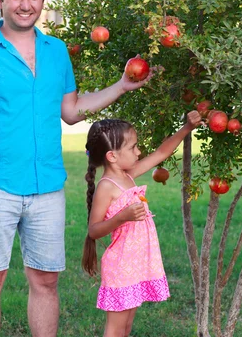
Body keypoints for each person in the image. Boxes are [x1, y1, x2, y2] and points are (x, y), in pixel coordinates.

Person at [0, 0, 153, 337]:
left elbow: (71, 111)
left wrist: (122, 85)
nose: (25, 5)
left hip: (47, 189)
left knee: (46, 281)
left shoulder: (57, 51)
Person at [82, 110, 203, 337]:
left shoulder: (129, 174)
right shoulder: (107, 186)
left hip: (137, 263)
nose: (139, 151)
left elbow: (161, 152)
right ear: (112, 156)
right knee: (116, 329)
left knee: (126, 328)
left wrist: (186, 127)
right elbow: (94, 230)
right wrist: (122, 217)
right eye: (133, 147)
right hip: (121, 266)